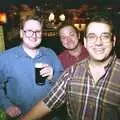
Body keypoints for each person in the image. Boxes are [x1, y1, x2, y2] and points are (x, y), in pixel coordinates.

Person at [21, 12, 120, 120]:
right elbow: (49, 101)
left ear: (113, 41)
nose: (98, 43)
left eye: (105, 36)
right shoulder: (69, 69)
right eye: (92, 37)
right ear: (86, 41)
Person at [0, 15, 64, 119]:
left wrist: (53, 75)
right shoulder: (5, 58)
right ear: (21, 33)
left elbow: (63, 82)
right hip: (21, 116)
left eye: (38, 31)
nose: (34, 35)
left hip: (50, 116)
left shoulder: (50, 53)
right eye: (29, 31)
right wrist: (7, 105)